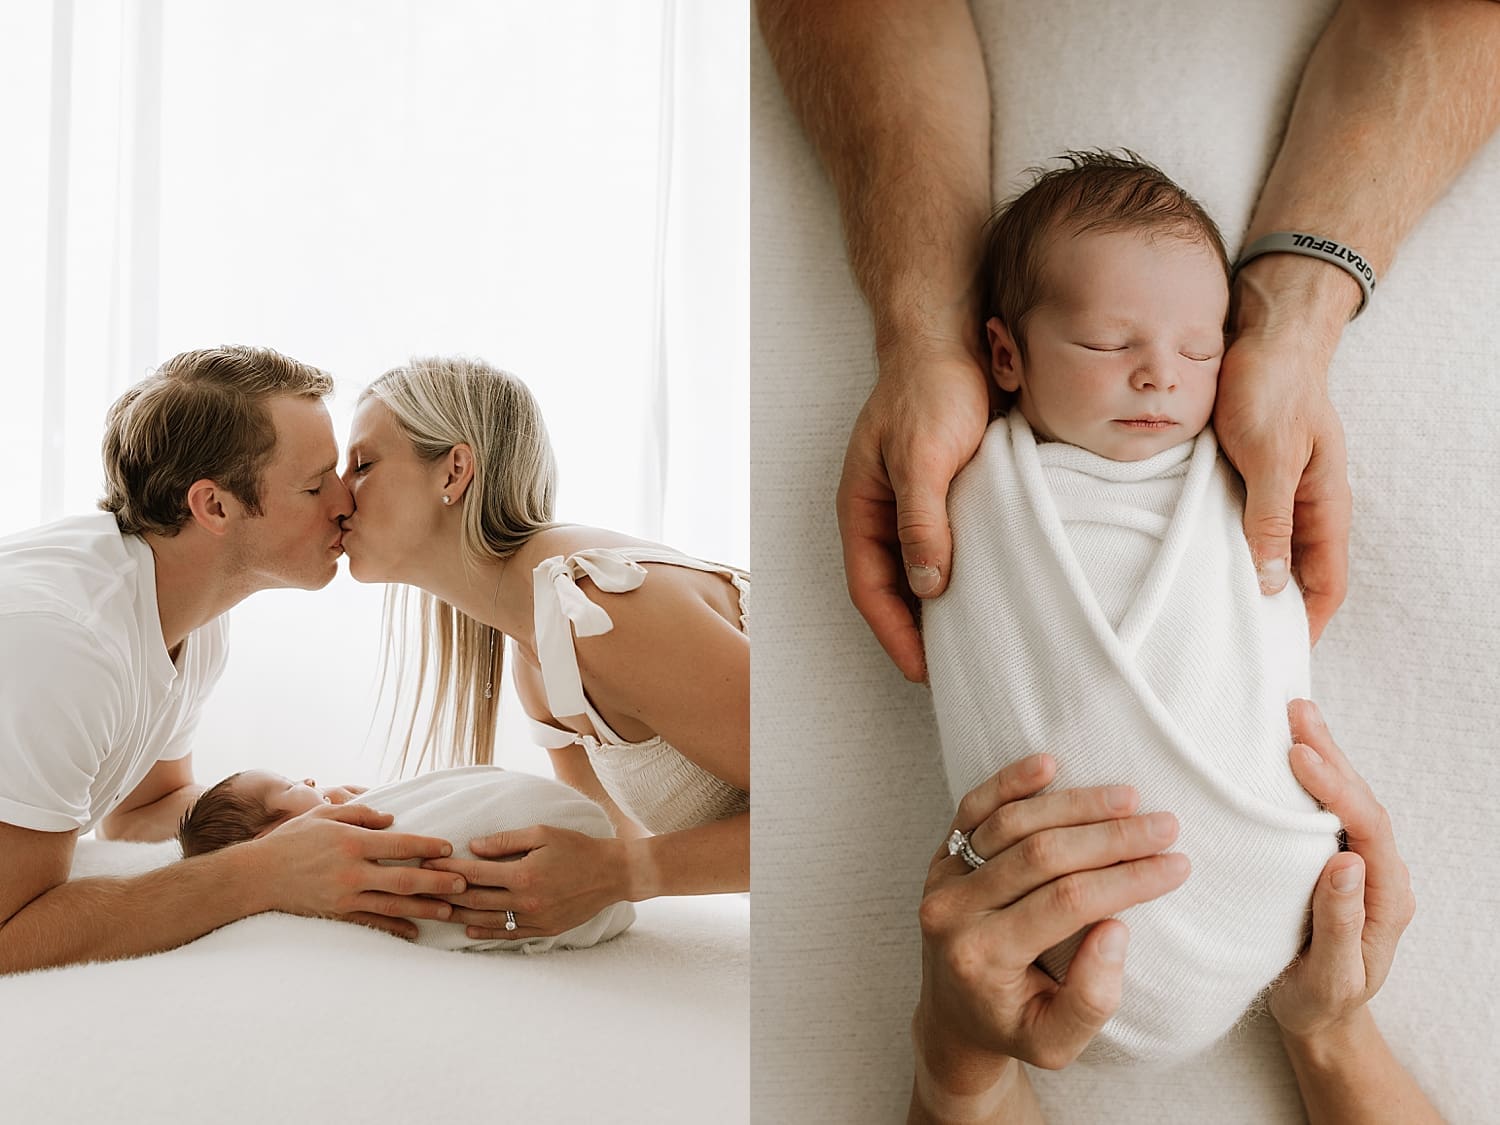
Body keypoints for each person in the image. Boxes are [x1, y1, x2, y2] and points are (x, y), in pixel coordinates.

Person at [924, 150, 1341, 1066]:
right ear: (1006, 353)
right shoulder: (980, 489)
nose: (1162, 374)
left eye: (1201, 349)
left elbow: (1261, 629)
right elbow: (987, 656)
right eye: (1111, 345)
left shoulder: (1232, 477)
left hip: (1253, 858)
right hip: (1051, 883)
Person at [0, 346, 466, 975]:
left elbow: (139, 813)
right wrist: (261, 874)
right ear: (214, 507)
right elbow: (9, 933)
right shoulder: (65, 643)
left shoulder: (190, 614)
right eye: (313, 484)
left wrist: (286, 814)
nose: (345, 502)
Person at [334, 357, 749, 940]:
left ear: (453, 472)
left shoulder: (601, 608)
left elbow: (822, 801)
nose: (338, 495)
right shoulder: (541, 654)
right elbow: (594, 868)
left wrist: (622, 872)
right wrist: (403, 821)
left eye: (361, 465)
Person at [178, 766, 635, 953]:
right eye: (292, 786)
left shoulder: (360, 814)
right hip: (558, 831)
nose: (312, 777)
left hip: (570, 835)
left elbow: (440, 795)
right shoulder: (328, 864)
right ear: (276, 837)